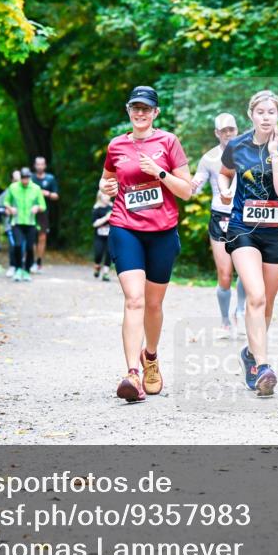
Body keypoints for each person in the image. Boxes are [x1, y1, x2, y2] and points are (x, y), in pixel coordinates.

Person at [99, 85, 192, 403]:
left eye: (146, 109)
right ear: (128, 110)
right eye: (135, 108)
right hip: (125, 227)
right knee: (134, 300)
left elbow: (187, 191)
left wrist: (161, 172)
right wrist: (107, 187)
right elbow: (106, 180)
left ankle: (149, 357)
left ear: (155, 113)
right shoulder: (116, 145)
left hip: (163, 232)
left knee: (153, 304)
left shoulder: (169, 142)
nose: (140, 113)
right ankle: (131, 375)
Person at [218, 90, 278, 397]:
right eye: (260, 112)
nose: (266, 117)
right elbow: (225, 174)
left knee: (266, 300)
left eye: (271, 112)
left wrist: (275, 154)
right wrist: (225, 190)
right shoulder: (236, 145)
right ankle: (264, 366)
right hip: (243, 228)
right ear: (251, 114)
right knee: (254, 295)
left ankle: (251, 354)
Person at [191, 112, 246, 338]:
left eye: (231, 129)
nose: (228, 134)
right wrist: (190, 186)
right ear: (216, 133)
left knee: (246, 270)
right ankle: (225, 323)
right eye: (223, 131)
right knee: (225, 274)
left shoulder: (248, 153)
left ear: (237, 130)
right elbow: (196, 185)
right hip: (219, 217)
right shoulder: (209, 158)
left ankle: (240, 313)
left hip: (243, 217)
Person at [4, 167, 47, 282]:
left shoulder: (36, 188)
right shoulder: (13, 187)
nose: (25, 181)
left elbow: (43, 205)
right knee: (17, 245)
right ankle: (18, 269)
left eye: (27, 178)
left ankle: (27, 271)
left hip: (31, 223)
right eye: (23, 178)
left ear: (30, 178)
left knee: (29, 248)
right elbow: (6, 201)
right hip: (17, 223)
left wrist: (37, 207)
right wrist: (10, 208)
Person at [32, 156, 60, 274]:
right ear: (34, 165)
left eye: (41, 164)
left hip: (44, 212)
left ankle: (39, 262)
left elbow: (56, 196)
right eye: (38, 164)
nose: (39, 166)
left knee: (42, 238)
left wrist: (46, 193)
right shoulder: (31, 178)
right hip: (31, 211)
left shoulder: (50, 179)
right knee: (31, 238)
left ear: (45, 166)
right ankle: (31, 261)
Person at [91, 190, 113, 282]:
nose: (107, 197)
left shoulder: (112, 207)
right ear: (100, 196)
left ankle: (106, 273)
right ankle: (97, 266)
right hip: (99, 236)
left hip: (110, 235)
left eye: (108, 195)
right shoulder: (96, 208)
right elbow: (94, 224)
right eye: (105, 195)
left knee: (109, 253)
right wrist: (106, 218)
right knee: (98, 253)